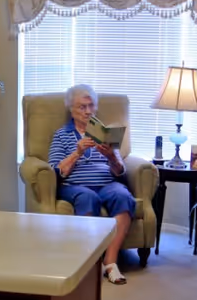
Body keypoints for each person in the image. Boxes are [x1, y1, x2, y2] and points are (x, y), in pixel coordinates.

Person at [49, 84, 135, 285]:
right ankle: (89, 263)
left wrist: (112, 156)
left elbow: (120, 171)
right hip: (75, 185)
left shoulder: (105, 133)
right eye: (82, 107)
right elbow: (57, 171)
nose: (88, 111)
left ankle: (110, 262)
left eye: (91, 106)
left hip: (106, 182)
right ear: (71, 108)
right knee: (88, 198)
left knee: (123, 196)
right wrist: (77, 153)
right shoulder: (61, 135)